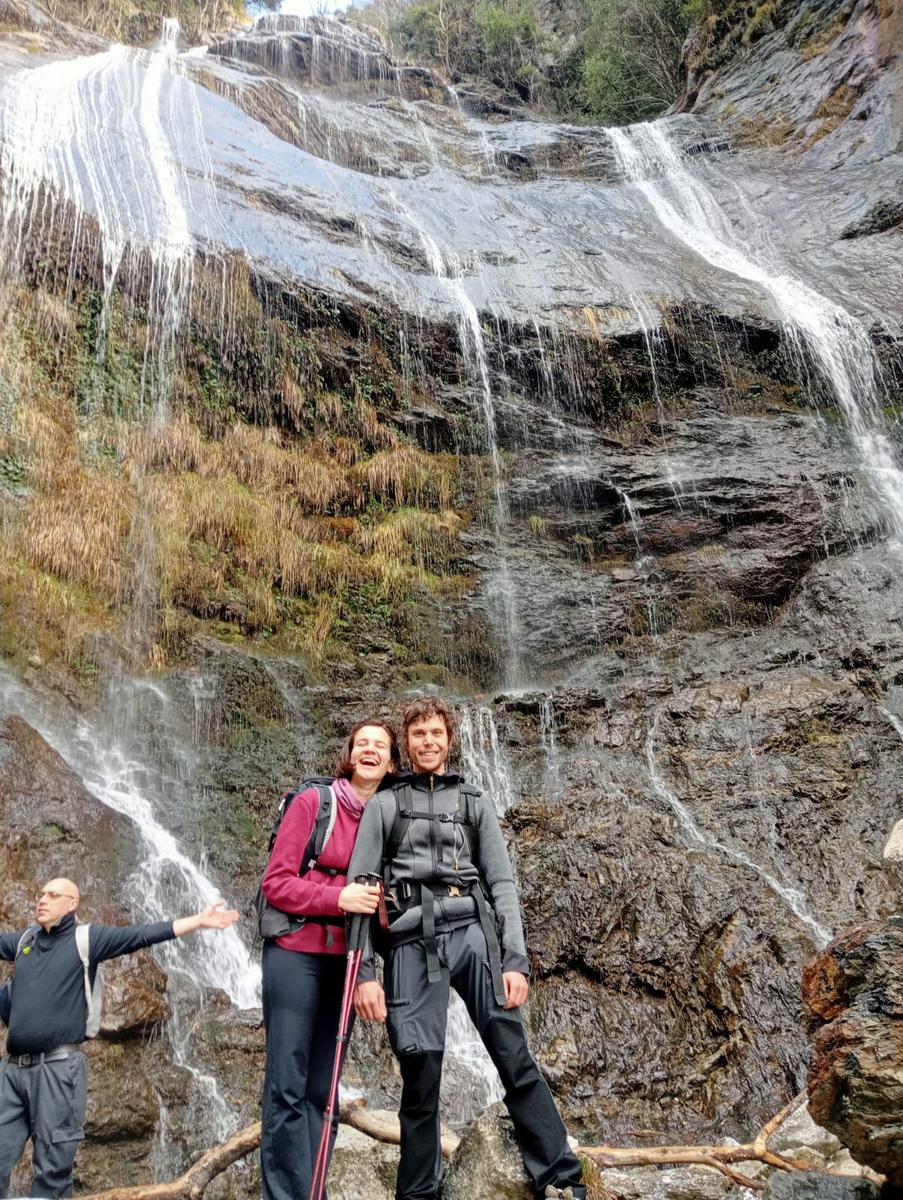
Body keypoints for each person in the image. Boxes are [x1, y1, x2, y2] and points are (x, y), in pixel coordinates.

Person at [348, 698, 586, 1200]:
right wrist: (366, 972)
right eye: (418, 735)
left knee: (512, 1053)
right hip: (412, 944)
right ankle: (418, 1194)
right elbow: (363, 888)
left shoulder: (474, 802)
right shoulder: (383, 805)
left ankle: (561, 1178)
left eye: (436, 733)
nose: (428, 742)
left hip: (473, 937)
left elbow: (502, 885)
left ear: (449, 740)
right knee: (420, 1071)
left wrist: (515, 960)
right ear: (405, 745)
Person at [0, 880, 239, 1199]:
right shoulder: (25, 941)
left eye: (53, 895)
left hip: (57, 1070)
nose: (43, 899)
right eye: (41, 894)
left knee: (52, 1170)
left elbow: (140, 935)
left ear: (72, 903)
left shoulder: (86, 939)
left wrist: (197, 920)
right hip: (13, 1072)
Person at [259, 719, 400, 1200]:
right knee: (287, 1084)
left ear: (392, 762)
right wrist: (338, 898)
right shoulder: (314, 804)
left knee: (324, 1090)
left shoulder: (390, 819)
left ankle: (312, 1192)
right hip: (295, 955)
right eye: (362, 743)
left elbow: (387, 908)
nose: (370, 750)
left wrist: (371, 971)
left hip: (347, 963)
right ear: (350, 754)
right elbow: (275, 883)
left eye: (380, 746)